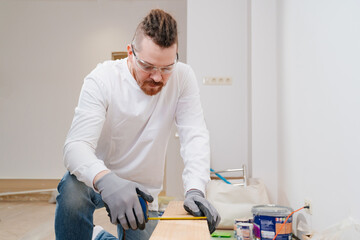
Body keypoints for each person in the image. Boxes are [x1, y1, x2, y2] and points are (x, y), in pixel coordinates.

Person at [55, 9, 220, 240]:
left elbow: (194, 135)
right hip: (98, 180)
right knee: (72, 189)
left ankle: (98, 237)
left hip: (143, 192)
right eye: (149, 66)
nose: (157, 77)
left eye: (166, 68)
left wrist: (195, 189)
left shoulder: (183, 77)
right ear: (130, 53)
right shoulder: (102, 79)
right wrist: (105, 179)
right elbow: (75, 146)